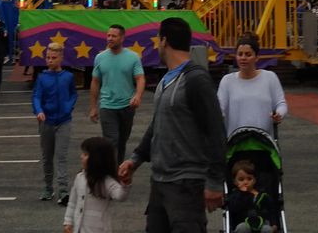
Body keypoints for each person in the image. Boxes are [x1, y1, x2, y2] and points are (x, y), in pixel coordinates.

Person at [119, 17, 226, 233]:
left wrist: (215, 182)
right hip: (160, 181)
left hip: (186, 184)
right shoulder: (165, 80)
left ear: (164, 41)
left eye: (158, 39)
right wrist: (136, 159)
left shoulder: (196, 80)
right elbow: (158, 124)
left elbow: (216, 131)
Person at [89, 24, 144, 164]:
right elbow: (95, 82)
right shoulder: (100, 58)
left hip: (127, 106)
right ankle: (110, 174)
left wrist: (137, 96)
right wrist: (93, 107)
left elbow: (140, 78)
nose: (110, 38)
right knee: (111, 140)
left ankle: (118, 171)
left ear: (122, 38)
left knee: (121, 142)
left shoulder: (133, 57)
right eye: (108, 35)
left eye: (113, 36)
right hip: (107, 106)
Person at [34, 42, 78, 205]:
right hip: (46, 122)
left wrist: (69, 107)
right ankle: (47, 187)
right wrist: (39, 110)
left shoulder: (68, 77)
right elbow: (37, 96)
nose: (50, 61)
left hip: (64, 121)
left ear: (61, 58)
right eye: (48, 57)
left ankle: (63, 190)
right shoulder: (42, 77)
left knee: (61, 156)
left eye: (53, 58)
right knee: (47, 157)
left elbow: (73, 94)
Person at [217, 35, 287, 137]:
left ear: (257, 57)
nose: (243, 58)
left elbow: (281, 103)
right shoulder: (227, 81)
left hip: (264, 142)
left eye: (248, 54)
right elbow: (219, 107)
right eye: (240, 54)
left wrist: (279, 114)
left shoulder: (270, 78)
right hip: (235, 143)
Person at [63, 136, 129, 233]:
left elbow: (120, 196)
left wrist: (125, 183)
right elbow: (72, 202)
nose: (81, 157)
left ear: (97, 159)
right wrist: (68, 221)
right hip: (79, 229)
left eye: (85, 154)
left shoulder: (106, 181)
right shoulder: (80, 178)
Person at [225, 160, 275, 233]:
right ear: (235, 182)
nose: (245, 182)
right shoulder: (235, 195)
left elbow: (272, 210)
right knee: (242, 228)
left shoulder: (263, 195)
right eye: (241, 179)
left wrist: (274, 224)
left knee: (267, 230)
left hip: (262, 222)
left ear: (254, 180)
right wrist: (243, 194)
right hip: (242, 222)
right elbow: (234, 208)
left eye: (249, 179)